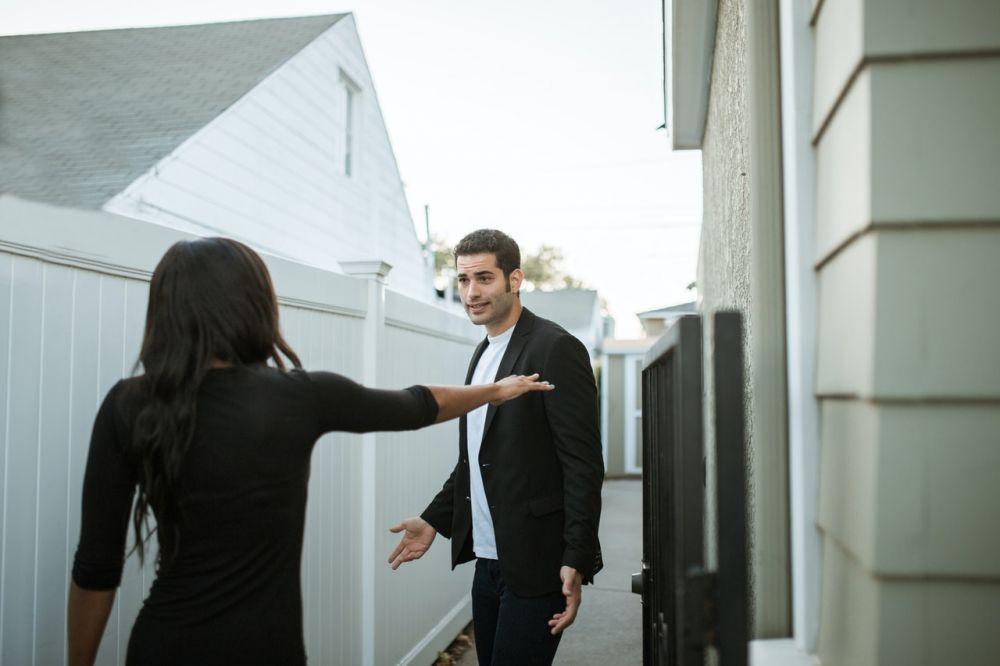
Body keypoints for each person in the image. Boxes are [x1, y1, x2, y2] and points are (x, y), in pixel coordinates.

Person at [67, 237, 553, 666]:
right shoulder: (297, 396)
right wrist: (493, 391)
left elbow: (95, 568)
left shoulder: (129, 404)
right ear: (253, 305)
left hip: (163, 643)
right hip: (265, 648)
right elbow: (417, 403)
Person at [388, 229, 604, 666]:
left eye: (484, 278)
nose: (472, 292)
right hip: (487, 562)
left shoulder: (555, 347)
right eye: (464, 281)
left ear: (515, 279)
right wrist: (434, 519)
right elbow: (476, 459)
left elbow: (582, 463)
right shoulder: (483, 353)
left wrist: (576, 557)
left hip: (537, 563)